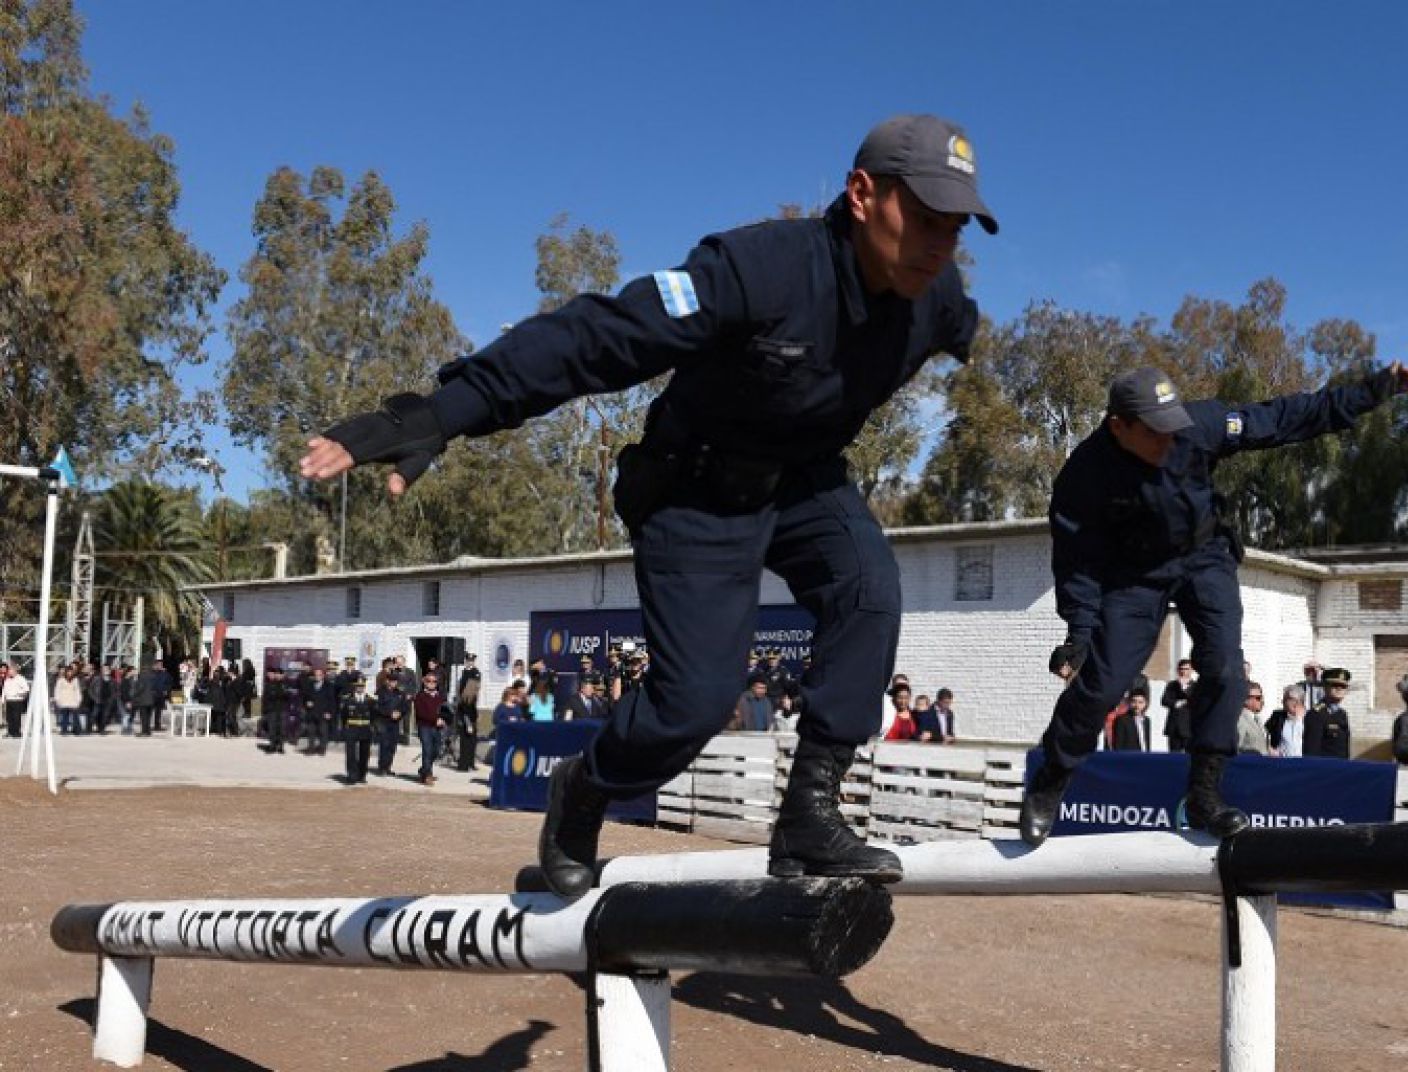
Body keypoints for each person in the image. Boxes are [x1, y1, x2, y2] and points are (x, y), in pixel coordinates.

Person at [303, 113, 992, 897]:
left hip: (803, 481)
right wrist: (442, 410)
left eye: (957, 226)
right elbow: (599, 336)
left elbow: (965, 333)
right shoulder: (756, 270)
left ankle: (810, 811)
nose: (941, 242)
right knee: (693, 704)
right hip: (694, 490)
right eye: (926, 218)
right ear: (862, 194)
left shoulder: (937, 299)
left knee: (871, 590)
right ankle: (585, 788)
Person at [1022, 361, 1408, 846]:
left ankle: (1205, 794)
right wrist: (1079, 633)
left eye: (1173, 429)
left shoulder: (1198, 426)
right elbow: (1077, 562)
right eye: (1155, 433)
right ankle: (1052, 778)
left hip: (1204, 557)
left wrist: (1373, 391)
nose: (1169, 441)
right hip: (1136, 577)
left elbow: (1284, 418)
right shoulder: (1082, 477)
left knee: (1227, 672)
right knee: (1102, 682)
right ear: (1118, 427)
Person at [337, 675, 375, 785]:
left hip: (365, 729)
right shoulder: (347, 699)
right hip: (352, 729)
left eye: (362, 686)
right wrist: (344, 728)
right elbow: (343, 716)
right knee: (351, 754)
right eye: (358, 686)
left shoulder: (370, 700)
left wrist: (372, 728)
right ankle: (351, 775)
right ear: (354, 686)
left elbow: (373, 716)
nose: (360, 688)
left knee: (364, 754)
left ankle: (362, 775)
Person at [413, 672, 446, 785]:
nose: (431, 683)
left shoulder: (440, 696)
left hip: (437, 728)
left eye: (434, 681)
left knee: (436, 751)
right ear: (424, 682)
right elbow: (421, 713)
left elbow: (445, 711)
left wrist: (443, 719)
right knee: (427, 750)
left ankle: (424, 769)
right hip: (425, 727)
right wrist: (434, 720)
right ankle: (427, 775)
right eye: (429, 681)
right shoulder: (420, 696)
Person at [1160, 659, 1196, 753]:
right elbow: (1164, 700)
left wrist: (1183, 689)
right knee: (1174, 755)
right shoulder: (1172, 685)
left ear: (1191, 670)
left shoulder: (1196, 686)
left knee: (1190, 755)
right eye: (1181, 669)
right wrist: (1176, 703)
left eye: (1186, 669)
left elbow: (1196, 702)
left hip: (1189, 727)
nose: (1183, 671)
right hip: (1174, 727)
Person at [1265, 685, 1307, 758]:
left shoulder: (1309, 718)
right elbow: (1263, 733)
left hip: (1303, 764)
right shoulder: (1277, 716)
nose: (1282, 702)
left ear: (1297, 702)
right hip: (1282, 763)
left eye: (1285, 700)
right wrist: (1269, 749)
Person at [1235, 684, 1271, 756]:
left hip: (1263, 764)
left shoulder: (1257, 719)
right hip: (1249, 764)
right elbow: (1236, 748)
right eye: (1258, 698)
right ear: (1246, 699)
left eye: (1262, 697)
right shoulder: (1240, 719)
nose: (1262, 701)